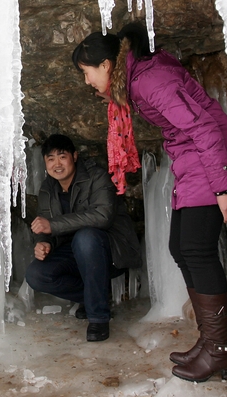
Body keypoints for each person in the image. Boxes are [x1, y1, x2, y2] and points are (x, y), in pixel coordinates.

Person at [71, 23, 227, 382]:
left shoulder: (149, 81)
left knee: (197, 250)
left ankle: (219, 351)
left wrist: (224, 186)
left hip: (208, 160)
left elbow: (204, 128)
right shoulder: (137, 80)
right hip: (192, 161)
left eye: (86, 73)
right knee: (181, 247)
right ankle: (209, 341)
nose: (86, 82)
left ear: (105, 65)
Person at [25, 134, 142, 342]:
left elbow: (102, 216)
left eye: (62, 157)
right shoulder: (47, 188)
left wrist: (53, 225)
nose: (57, 164)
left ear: (75, 156)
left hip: (109, 252)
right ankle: (93, 296)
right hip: (73, 253)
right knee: (36, 274)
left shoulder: (96, 176)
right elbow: (44, 227)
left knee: (85, 238)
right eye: (51, 159)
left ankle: (98, 317)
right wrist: (43, 242)